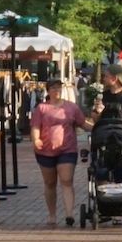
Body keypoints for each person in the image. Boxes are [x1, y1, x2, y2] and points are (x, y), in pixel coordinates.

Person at [30, 76, 85, 227]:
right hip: (45, 150)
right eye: (53, 88)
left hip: (67, 149)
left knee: (67, 180)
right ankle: (52, 214)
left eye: (59, 87)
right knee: (50, 183)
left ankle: (69, 214)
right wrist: (36, 140)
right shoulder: (42, 108)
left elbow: (83, 123)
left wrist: (100, 125)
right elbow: (35, 127)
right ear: (48, 91)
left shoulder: (71, 107)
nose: (57, 90)